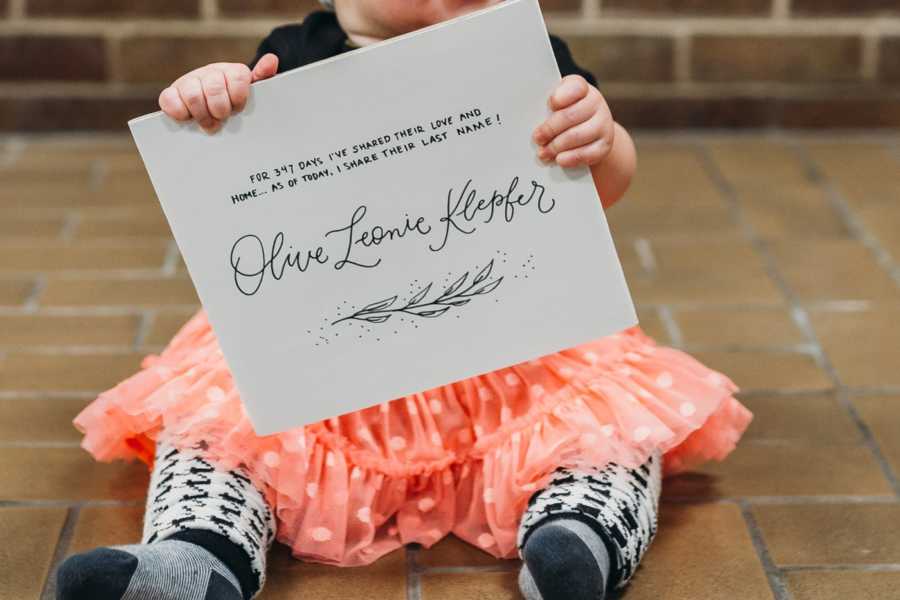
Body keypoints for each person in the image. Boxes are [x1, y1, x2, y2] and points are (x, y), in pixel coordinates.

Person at [56, 2, 752, 599]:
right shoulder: (296, 55)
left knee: (607, 435)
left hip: (509, 356)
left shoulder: (523, 54)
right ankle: (198, 554)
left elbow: (602, 188)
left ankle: (579, 537)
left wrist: (600, 141)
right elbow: (234, 170)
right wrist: (211, 100)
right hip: (331, 367)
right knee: (222, 425)